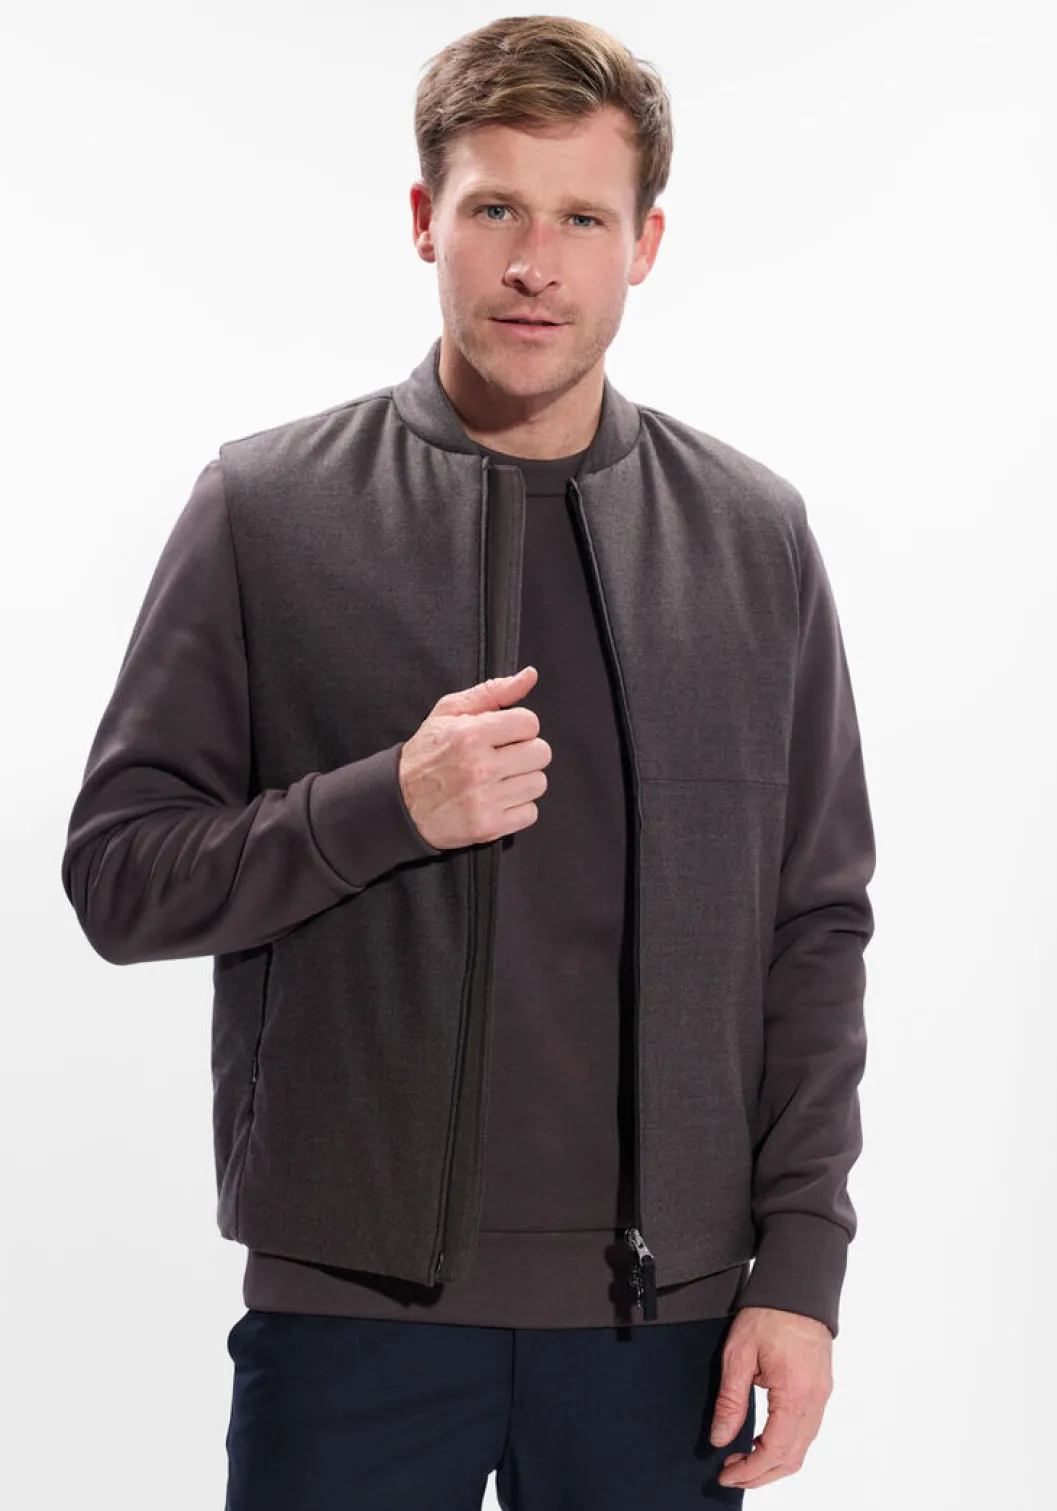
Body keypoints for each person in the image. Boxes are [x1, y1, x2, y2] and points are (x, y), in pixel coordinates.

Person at [60, 13, 876, 1508]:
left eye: (583, 219)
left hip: (671, 1326)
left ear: (646, 245)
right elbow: (117, 878)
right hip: (350, 1318)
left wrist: (802, 1270)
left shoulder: (752, 537)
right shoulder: (266, 511)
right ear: (426, 219)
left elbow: (815, 924)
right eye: (496, 208)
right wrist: (385, 804)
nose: (535, 264)